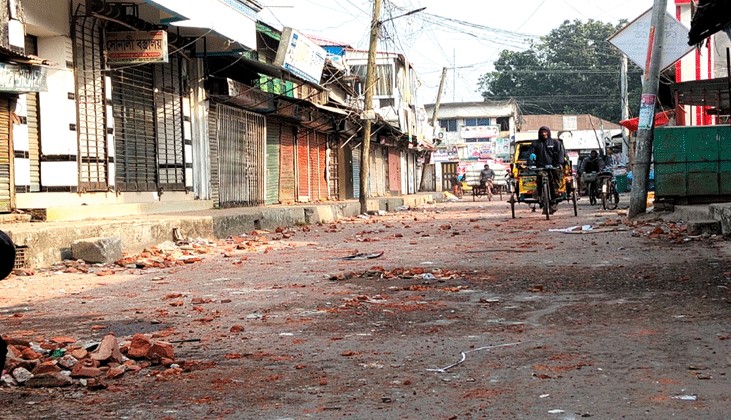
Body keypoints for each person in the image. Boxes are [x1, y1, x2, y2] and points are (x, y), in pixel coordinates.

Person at [528, 126, 565, 214]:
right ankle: (541, 197)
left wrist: (560, 163)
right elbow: (531, 154)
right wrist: (530, 163)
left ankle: (553, 202)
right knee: (540, 181)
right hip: (540, 167)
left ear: (548, 132)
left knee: (554, 183)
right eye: (542, 132)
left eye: (545, 132)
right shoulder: (535, 144)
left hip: (553, 167)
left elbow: (560, 153)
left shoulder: (555, 142)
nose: (544, 134)